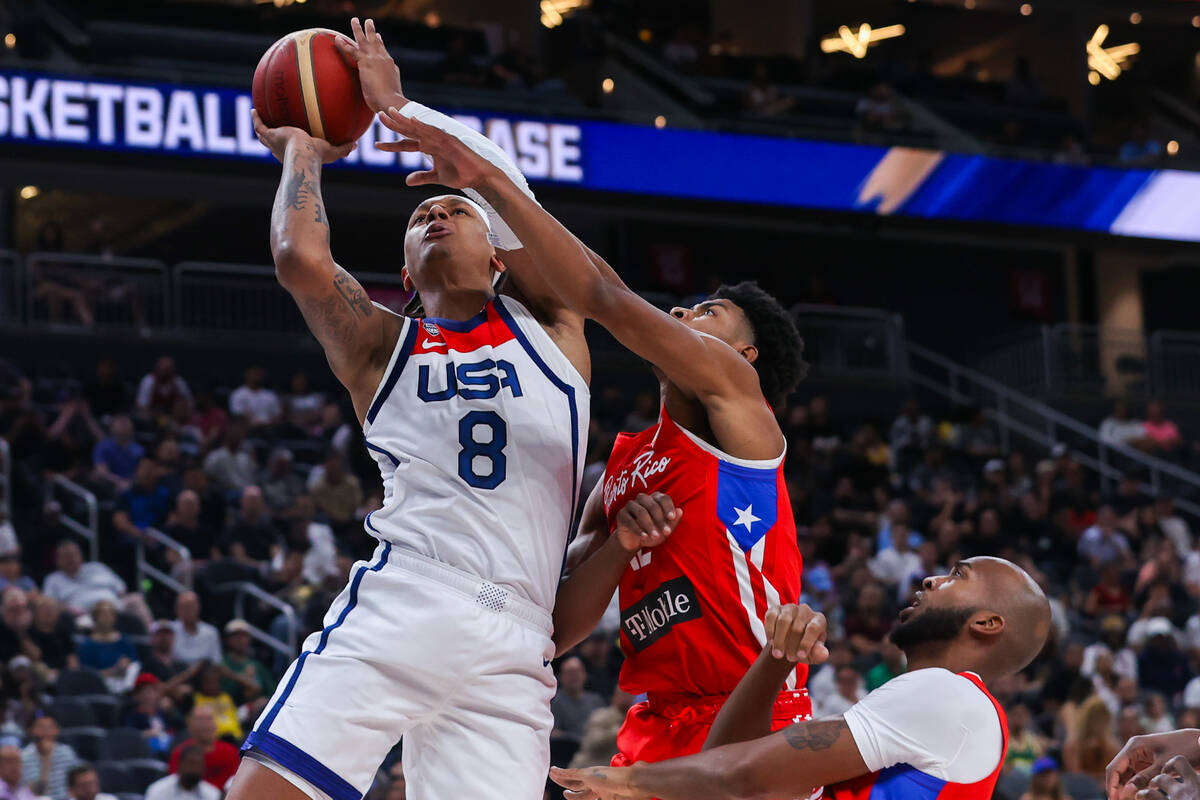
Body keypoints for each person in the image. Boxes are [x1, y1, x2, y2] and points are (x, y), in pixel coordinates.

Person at [387, 38, 815, 779]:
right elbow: (558, 625)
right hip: (654, 719)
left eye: (708, 312)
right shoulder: (620, 463)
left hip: (754, 706)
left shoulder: (739, 407)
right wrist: (619, 542)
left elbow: (603, 294)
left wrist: (484, 181)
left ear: (743, 358)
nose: (682, 310)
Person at [229, 17, 591, 800]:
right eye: (422, 217)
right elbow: (300, 259)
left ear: (499, 254)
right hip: (412, 592)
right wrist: (303, 150)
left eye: (454, 213)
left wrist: (402, 112)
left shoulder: (554, 325)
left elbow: (509, 188)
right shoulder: (379, 348)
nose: (434, 216)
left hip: (518, 641)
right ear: (402, 266)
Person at [551, 556, 1052, 800]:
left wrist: (627, 780)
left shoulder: (946, 695)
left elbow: (740, 776)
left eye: (957, 576)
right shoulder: (929, 710)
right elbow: (730, 766)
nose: (930, 579)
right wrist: (776, 658)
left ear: (987, 624)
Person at [41, 540, 127, 614]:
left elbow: (121, 588)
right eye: (67, 556)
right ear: (58, 560)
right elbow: (49, 604)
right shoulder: (53, 579)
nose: (71, 559)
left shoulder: (97, 567)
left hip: (114, 608)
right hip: (81, 615)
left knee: (135, 599)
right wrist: (68, 609)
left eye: (74, 555)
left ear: (81, 556)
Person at [169, 707, 240, 790]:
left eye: (209, 719)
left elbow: (234, 784)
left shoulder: (231, 753)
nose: (204, 725)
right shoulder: (180, 753)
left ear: (216, 724)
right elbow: (173, 782)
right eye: (199, 720)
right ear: (190, 725)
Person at [21, 714, 78, 800]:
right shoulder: (24, 757)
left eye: (51, 727)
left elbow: (75, 788)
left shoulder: (67, 753)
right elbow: (36, 793)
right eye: (41, 727)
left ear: (57, 730)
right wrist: (46, 758)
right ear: (31, 730)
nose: (46, 731)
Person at [552, 656, 605, 746]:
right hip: (567, 752)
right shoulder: (554, 702)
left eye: (578, 672)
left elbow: (604, 729)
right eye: (570, 673)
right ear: (561, 677)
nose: (574, 676)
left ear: (584, 675)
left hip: (596, 750)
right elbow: (554, 733)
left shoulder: (596, 700)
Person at [75, 600, 136, 678]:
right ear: (95, 617)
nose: (107, 617)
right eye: (103, 614)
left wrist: (127, 665)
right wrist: (113, 671)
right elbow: (85, 674)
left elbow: (134, 663)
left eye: (110, 614)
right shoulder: (87, 646)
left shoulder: (125, 641)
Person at [145, 746, 221, 800]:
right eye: (192, 763)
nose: (195, 768)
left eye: (199, 764)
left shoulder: (212, 793)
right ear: (180, 764)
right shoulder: (158, 790)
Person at [91, 415, 143, 491]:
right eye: (120, 423)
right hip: (110, 485)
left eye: (125, 423)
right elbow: (101, 471)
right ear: (112, 428)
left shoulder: (139, 449)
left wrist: (131, 483)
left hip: (133, 484)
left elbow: (141, 472)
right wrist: (119, 482)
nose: (123, 426)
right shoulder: (103, 446)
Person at [170, 592, 221, 665]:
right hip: (177, 673)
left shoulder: (211, 632)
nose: (187, 610)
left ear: (198, 607)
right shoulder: (169, 630)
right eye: (183, 606)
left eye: (190, 606)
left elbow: (216, 662)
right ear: (177, 609)